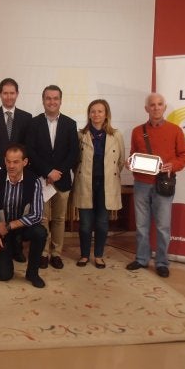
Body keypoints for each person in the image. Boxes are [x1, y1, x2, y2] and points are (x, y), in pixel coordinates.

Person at [125, 93, 185, 278]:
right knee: (141, 225)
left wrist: (173, 165)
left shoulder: (175, 130)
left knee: (163, 227)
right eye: (152, 105)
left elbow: (184, 155)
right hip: (141, 184)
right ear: (146, 108)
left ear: (164, 107)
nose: (156, 108)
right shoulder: (137, 131)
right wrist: (130, 163)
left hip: (164, 184)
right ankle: (141, 259)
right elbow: (133, 154)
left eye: (159, 104)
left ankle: (161, 262)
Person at [0, 144, 47, 288]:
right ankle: (5, 253)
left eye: (16, 162)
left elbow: (37, 214)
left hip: (21, 227)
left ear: (25, 162)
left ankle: (32, 273)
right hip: (0, 230)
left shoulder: (34, 181)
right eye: (8, 161)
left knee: (40, 232)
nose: (11, 166)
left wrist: (10, 226)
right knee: (4, 275)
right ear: (4, 161)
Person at [26, 85, 79, 270]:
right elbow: (30, 151)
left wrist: (57, 173)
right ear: (43, 100)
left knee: (59, 219)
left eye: (55, 98)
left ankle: (56, 253)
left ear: (60, 101)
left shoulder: (70, 124)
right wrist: (47, 172)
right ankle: (43, 253)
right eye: (48, 98)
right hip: (41, 180)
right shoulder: (33, 123)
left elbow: (73, 153)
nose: (52, 101)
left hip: (62, 181)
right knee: (42, 218)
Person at [72, 99, 125, 269]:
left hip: (106, 184)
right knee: (85, 224)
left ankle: (99, 255)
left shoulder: (116, 135)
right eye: (93, 111)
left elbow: (120, 161)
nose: (96, 114)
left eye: (100, 111)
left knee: (102, 223)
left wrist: (109, 175)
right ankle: (84, 255)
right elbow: (75, 161)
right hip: (85, 183)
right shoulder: (81, 135)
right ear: (89, 114)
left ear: (106, 114)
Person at [0, 78, 32, 263]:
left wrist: (18, 167)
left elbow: (26, 147)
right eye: (5, 93)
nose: (9, 96)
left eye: (12, 93)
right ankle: (2, 244)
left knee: (17, 209)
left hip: (18, 172)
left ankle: (17, 247)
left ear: (17, 94)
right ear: (0, 94)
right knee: (0, 209)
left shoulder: (26, 117)